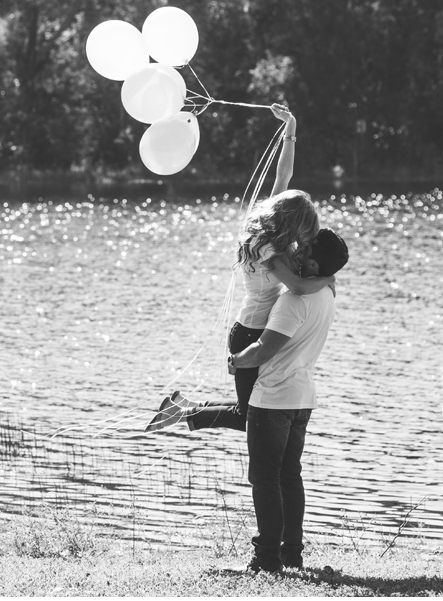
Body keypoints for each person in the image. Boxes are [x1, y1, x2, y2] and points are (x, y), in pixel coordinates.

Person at [147, 104, 334, 433]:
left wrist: (291, 126)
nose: (306, 238)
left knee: (250, 411)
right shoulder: (269, 251)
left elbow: (283, 176)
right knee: (247, 417)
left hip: (257, 329)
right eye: (304, 230)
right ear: (291, 225)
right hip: (249, 333)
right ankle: (179, 411)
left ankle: (181, 408)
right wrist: (329, 279)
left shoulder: (269, 225)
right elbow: (300, 288)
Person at [232, 227, 349, 573]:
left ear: (312, 264)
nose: (296, 248)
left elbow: (263, 350)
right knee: (289, 476)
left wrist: (235, 361)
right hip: (302, 399)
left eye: (304, 247)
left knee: (264, 479)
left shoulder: (292, 300)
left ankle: (267, 558)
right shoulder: (326, 292)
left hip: (273, 400)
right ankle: (292, 553)